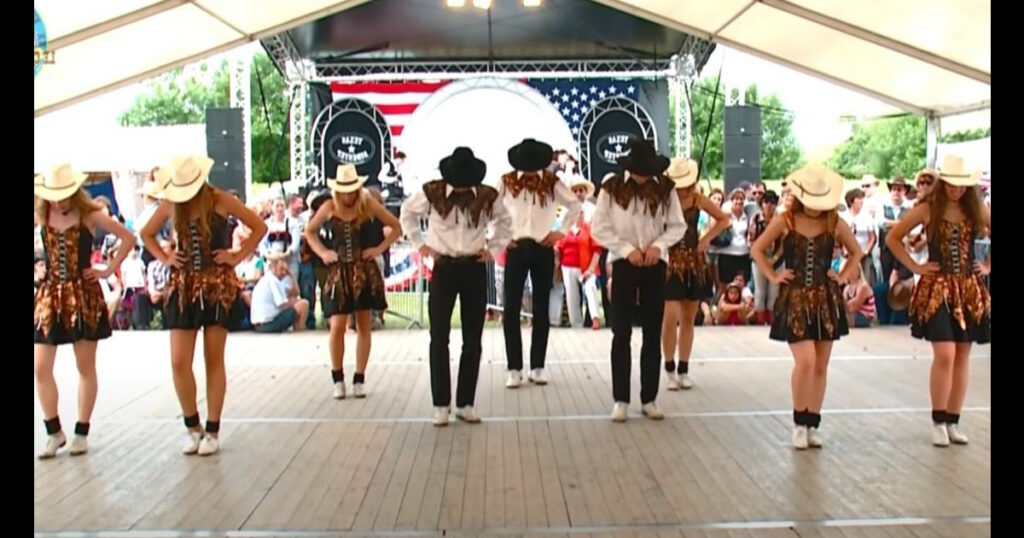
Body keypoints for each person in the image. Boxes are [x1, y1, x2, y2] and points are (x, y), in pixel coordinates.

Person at [140, 155, 267, 457]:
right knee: (178, 361)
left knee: (214, 359)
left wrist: (236, 256)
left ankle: (213, 429)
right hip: (184, 284)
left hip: (216, 283)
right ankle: (191, 425)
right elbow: (145, 233)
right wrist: (166, 257)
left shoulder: (220, 199)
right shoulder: (171, 202)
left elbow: (258, 227)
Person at [751, 163, 861, 450]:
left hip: (825, 298)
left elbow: (857, 251)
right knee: (806, 361)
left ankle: (813, 422)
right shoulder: (785, 220)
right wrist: (774, 274)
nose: (814, 207)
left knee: (821, 364)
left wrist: (844, 274)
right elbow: (757, 249)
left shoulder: (833, 223)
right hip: (796, 298)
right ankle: (799, 423)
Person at [400, 147, 513, 426]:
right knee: (439, 336)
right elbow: (406, 213)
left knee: (472, 338)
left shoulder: (487, 195)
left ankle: (465, 403)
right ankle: (441, 404)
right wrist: (421, 245)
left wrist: (493, 248)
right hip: (444, 266)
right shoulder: (432, 191)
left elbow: (507, 223)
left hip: (474, 265)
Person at [884, 155, 990, 447]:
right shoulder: (928, 207)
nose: (956, 190)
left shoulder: (976, 208)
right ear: (944, 183)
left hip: (968, 288)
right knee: (945, 353)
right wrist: (916, 267)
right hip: (938, 289)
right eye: (952, 184)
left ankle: (953, 419)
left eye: (962, 185)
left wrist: (988, 266)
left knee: (963, 354)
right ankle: (938, 418)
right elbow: (893, 238)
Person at [34, 164, 136, 459]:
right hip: (51, 294)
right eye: (53, 196)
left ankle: (81, 431)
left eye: (63, 196)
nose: (58, 202)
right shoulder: (42, 214)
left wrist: (108, 270)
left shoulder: (90, 214)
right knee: (40, 366)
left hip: (82, 293)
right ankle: (54, 431)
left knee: (84, 365)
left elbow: (129, 238)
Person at [591, 139, 686, 422]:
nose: (644, 177)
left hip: (654, 264)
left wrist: (659, 246)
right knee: (621, 332)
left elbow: (677, 225)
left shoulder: (666, 189)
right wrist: (626, 250)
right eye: (640, 171)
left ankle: (649, 398)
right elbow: (600, 228)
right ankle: (621, 399)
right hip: (623, 263)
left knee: (651, 331)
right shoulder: (611, 187)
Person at [304, 164, 401, 399]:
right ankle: (338, 378)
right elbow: (309, 231)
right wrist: (323, 253)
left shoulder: (368, 205)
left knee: (364, 325)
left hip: (363, 271)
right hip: (338, 272)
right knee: (337, 326)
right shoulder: (328, 207)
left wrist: (378, 249)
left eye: (352, 190)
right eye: (344, 190)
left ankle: (359, 377)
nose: (348, 195)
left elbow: (396, 227)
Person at [498, 139, 581, 388]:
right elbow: (490, 209)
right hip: (516, 245)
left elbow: (574, 205)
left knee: (541, 308)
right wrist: (502, 235)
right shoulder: (507, 181)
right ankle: (514, 368)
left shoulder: (551, 182)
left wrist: (560, 232)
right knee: (511, 309)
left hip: (543, 246)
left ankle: (537, 366)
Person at [661, 157, 729, 390]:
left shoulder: (698, 198)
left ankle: (683, 368)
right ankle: (669, 368)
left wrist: (706, 239)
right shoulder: (663, 199)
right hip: (670, 261)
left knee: (689, 318)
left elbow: (723, 219)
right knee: (669, 317)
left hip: (693, 260)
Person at [249, 258, 310, 333]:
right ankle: (300, 330)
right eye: (281, 269)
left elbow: (296, 293)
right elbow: (282, 305)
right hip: (268, 324)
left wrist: (291, 276)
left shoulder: (269, 279)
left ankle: (298, 329)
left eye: (286, 270)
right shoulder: (273, 280)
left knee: (297, 302)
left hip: (259, 326)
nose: (284, 272)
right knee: (304, 304)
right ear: (273, 268)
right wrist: (297, 302)